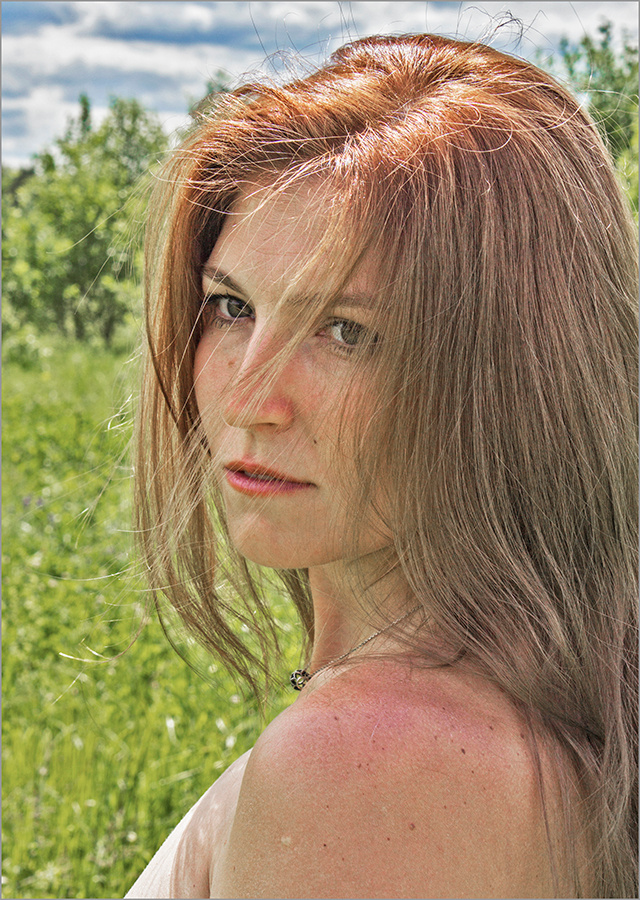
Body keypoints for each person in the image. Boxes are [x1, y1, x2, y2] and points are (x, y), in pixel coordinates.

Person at [126, 32, 638, 899]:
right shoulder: (554, 689)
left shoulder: (367, 761)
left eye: (346, 330)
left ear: (514, 378)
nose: (249, 400)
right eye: (232, 306)